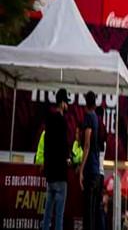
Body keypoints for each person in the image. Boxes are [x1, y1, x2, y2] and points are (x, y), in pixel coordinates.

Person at [41, 88, 70, 230]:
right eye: (67, 103)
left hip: (50, 175)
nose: (68, 106)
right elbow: (64, 146)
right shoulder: (63, 122)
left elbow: (46, 145)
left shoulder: (49, 120)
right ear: (62, 103)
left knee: (47, 214)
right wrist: (68, 158)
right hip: (60, 174)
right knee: (59, 216)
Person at [79, 91, 100, 230]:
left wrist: (81, 170)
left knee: (87, 211)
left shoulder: (88, 118)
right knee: (91, 211)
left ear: (86, 102)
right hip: (96, 168)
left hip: (89, 168)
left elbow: (86, 145)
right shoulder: (96, 118)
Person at [96, 106, 107, 230]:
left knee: (95, 207)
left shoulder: (97, 129)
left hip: (95, 172)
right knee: (99, 207)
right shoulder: (103, 130)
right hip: (101, 172)